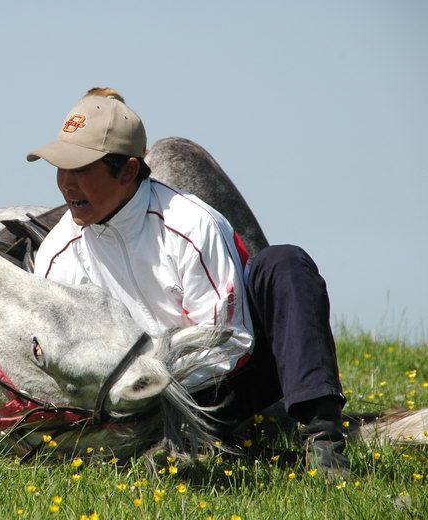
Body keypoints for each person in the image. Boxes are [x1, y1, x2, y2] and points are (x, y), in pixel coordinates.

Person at [26, 89, 349, 476]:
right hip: (125, 399)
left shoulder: (192, 224)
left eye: (81, 170)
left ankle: (324, 442)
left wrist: (154, 389)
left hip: (224, 380)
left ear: (128, 171)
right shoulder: (57, 251)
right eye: (60, 168)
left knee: (286, 263)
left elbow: (227, 343)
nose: (66, 184)